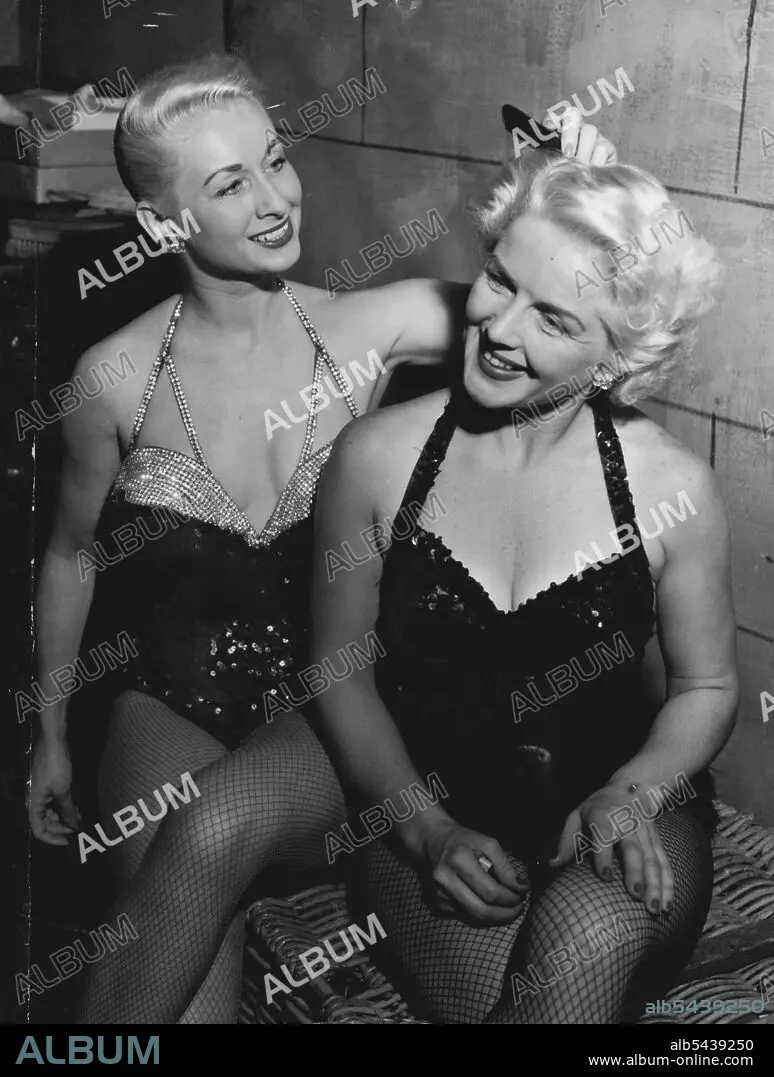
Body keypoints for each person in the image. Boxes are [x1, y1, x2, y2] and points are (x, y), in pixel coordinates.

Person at [28, 53, 615, 1024]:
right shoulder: (111, 377)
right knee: (178, 987)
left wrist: (568, 204)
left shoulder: (375, 323)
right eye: (230, 184)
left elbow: (554, 331)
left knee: (226, 839)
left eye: (275, 160)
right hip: (173, 703)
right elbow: (72, 554)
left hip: (334, 712)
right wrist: (48, 738)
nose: (274, 200)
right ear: (165, 224)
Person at [309, 151, 739, 1023]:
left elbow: (707, 686)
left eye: (553, 318)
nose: (500, 328)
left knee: (585, 940)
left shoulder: (672, 487)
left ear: (618, 357)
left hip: (618, 800)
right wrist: (425, 829)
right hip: (435, 807)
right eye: (501, 281)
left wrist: (635, 790)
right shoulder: (376, 455)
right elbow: (338, 671)